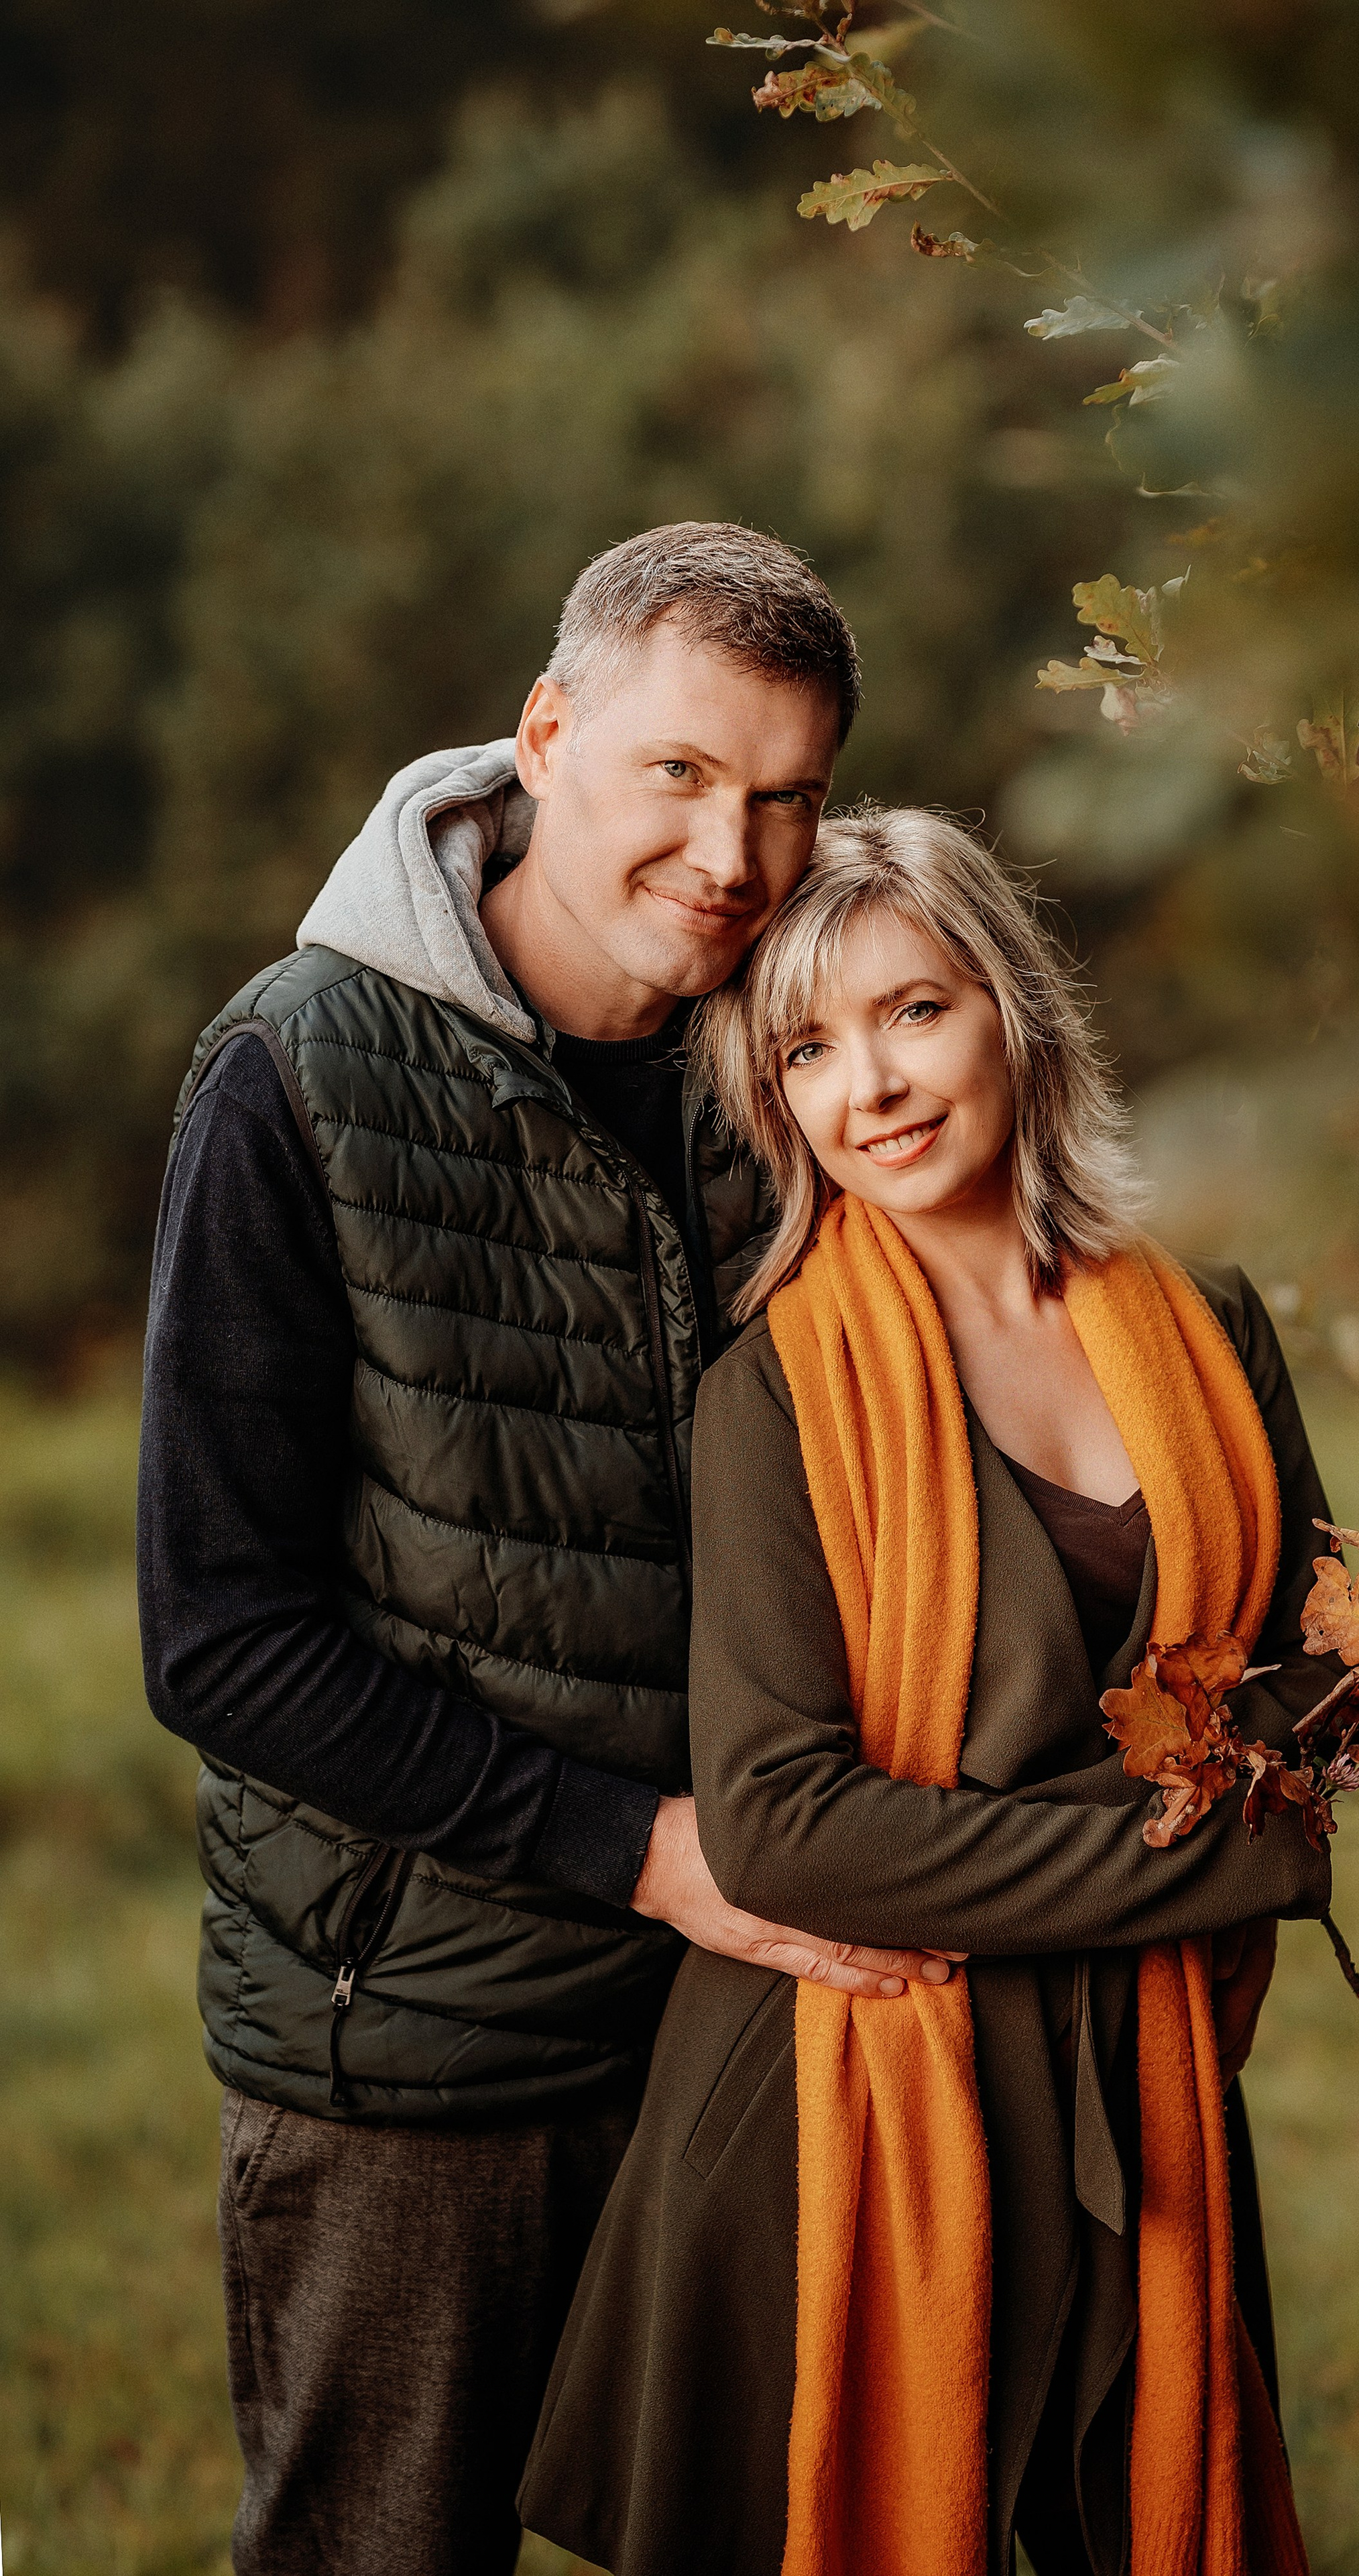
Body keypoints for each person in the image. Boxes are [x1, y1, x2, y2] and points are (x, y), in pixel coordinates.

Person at [136, 525, 961, 2576]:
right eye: (682, 773)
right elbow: (220, 1642)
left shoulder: (781, 1073)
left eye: (785, 797)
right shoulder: (296, 1074)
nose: (734, 850)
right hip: (415, 2035)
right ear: (546, 733)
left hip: (738, 2015)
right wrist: (646, 1847)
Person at [520, 807, 1339, 2576]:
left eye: (911, 1011)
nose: (867, 1084)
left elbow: (1321, 1694)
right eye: (806, 1047)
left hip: (1152, 2083)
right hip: (844, 2108)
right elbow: (785, 1824)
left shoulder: (1210, 1324)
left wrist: (1257, 1806)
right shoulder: (779, 1398)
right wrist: (1209, 1847)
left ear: (1014, 1014)